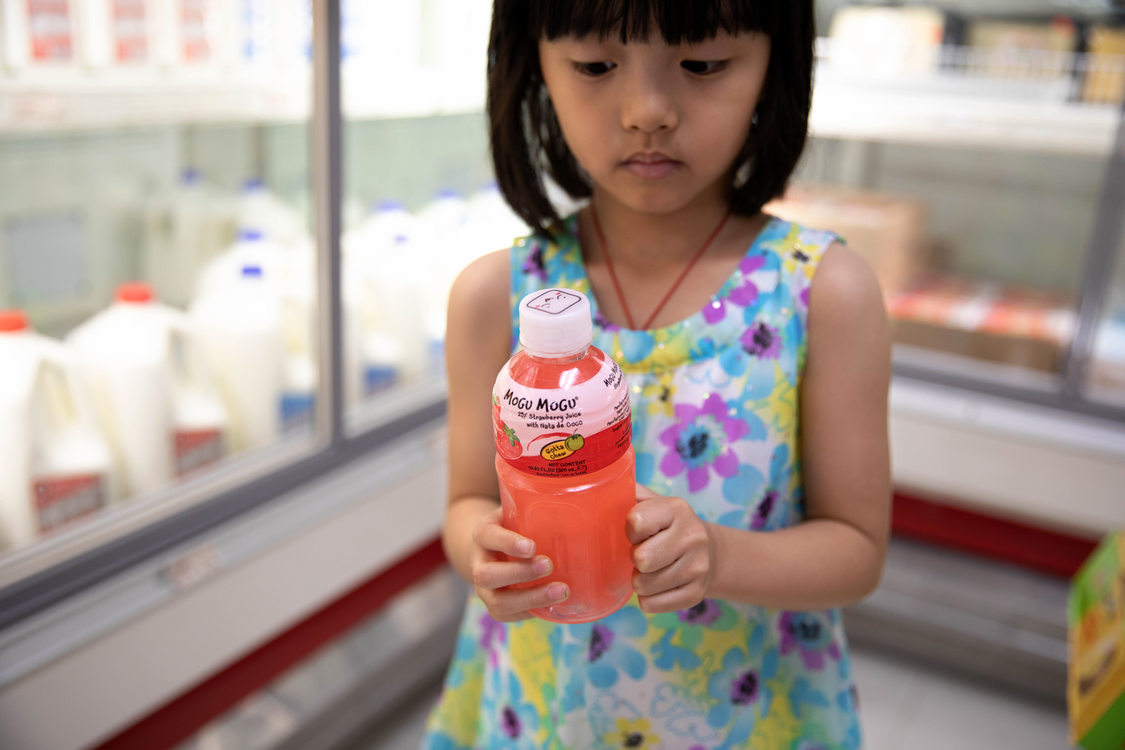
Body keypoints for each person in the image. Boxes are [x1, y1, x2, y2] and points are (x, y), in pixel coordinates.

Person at [425, 1, 891, 747]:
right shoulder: (494, 296)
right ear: (533, 67)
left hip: (744, 715)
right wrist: (487, 549)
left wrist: (720, 554)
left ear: (775, 64)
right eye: (594, 66)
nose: (647, 112)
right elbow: (466, 504)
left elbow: (856, 551)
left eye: (702, 64)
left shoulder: (820, 292)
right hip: (541, 713)